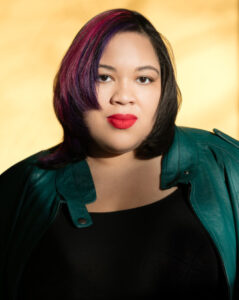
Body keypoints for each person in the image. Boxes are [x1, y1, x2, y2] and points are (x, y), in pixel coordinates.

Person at [0, 8, 238, 300]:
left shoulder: (224, 165)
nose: (123, 96)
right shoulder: (21, 188)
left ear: (163, 89)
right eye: (103, 77)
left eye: (144, 79)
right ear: (74, 84)